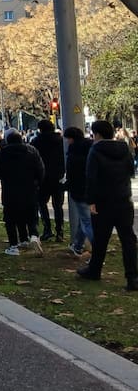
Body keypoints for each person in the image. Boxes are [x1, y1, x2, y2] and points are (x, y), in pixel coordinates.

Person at [77, 120, 138, 290]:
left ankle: (94, 270)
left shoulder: (95, 150)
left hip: (103, 202)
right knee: (128, 240)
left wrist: (91, 201)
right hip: (123, 200)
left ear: (96, 134)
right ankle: (132, 277)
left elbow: (91, 177)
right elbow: (131, 171)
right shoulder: (124, 148)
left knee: (101, 238)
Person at [0, 129, 44, 256]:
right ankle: (33, 235)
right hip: (29, 188)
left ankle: (13, 245)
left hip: (10, 190)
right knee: (31, 214)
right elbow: (40, 169)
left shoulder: (2, 154)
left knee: (10, 219)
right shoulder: (31, 152)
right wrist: (37, 182)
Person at [30, 120, 66, 242]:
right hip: (57, 177)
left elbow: (34, 160)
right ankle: (60, 231)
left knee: (41, 203)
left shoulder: (36, 142)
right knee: (58, 205)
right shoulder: (61, 141)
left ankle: (47, 229)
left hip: (42, 178)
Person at [63, 127, 94, 257]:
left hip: (78, 190)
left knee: (86, 221)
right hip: (92, 188)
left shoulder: (73, 153)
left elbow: (71, 174)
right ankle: (77, 245)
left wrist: (66, 186)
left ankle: (98, 248)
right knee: (84, 219)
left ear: (71, 138)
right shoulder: (91, 149)